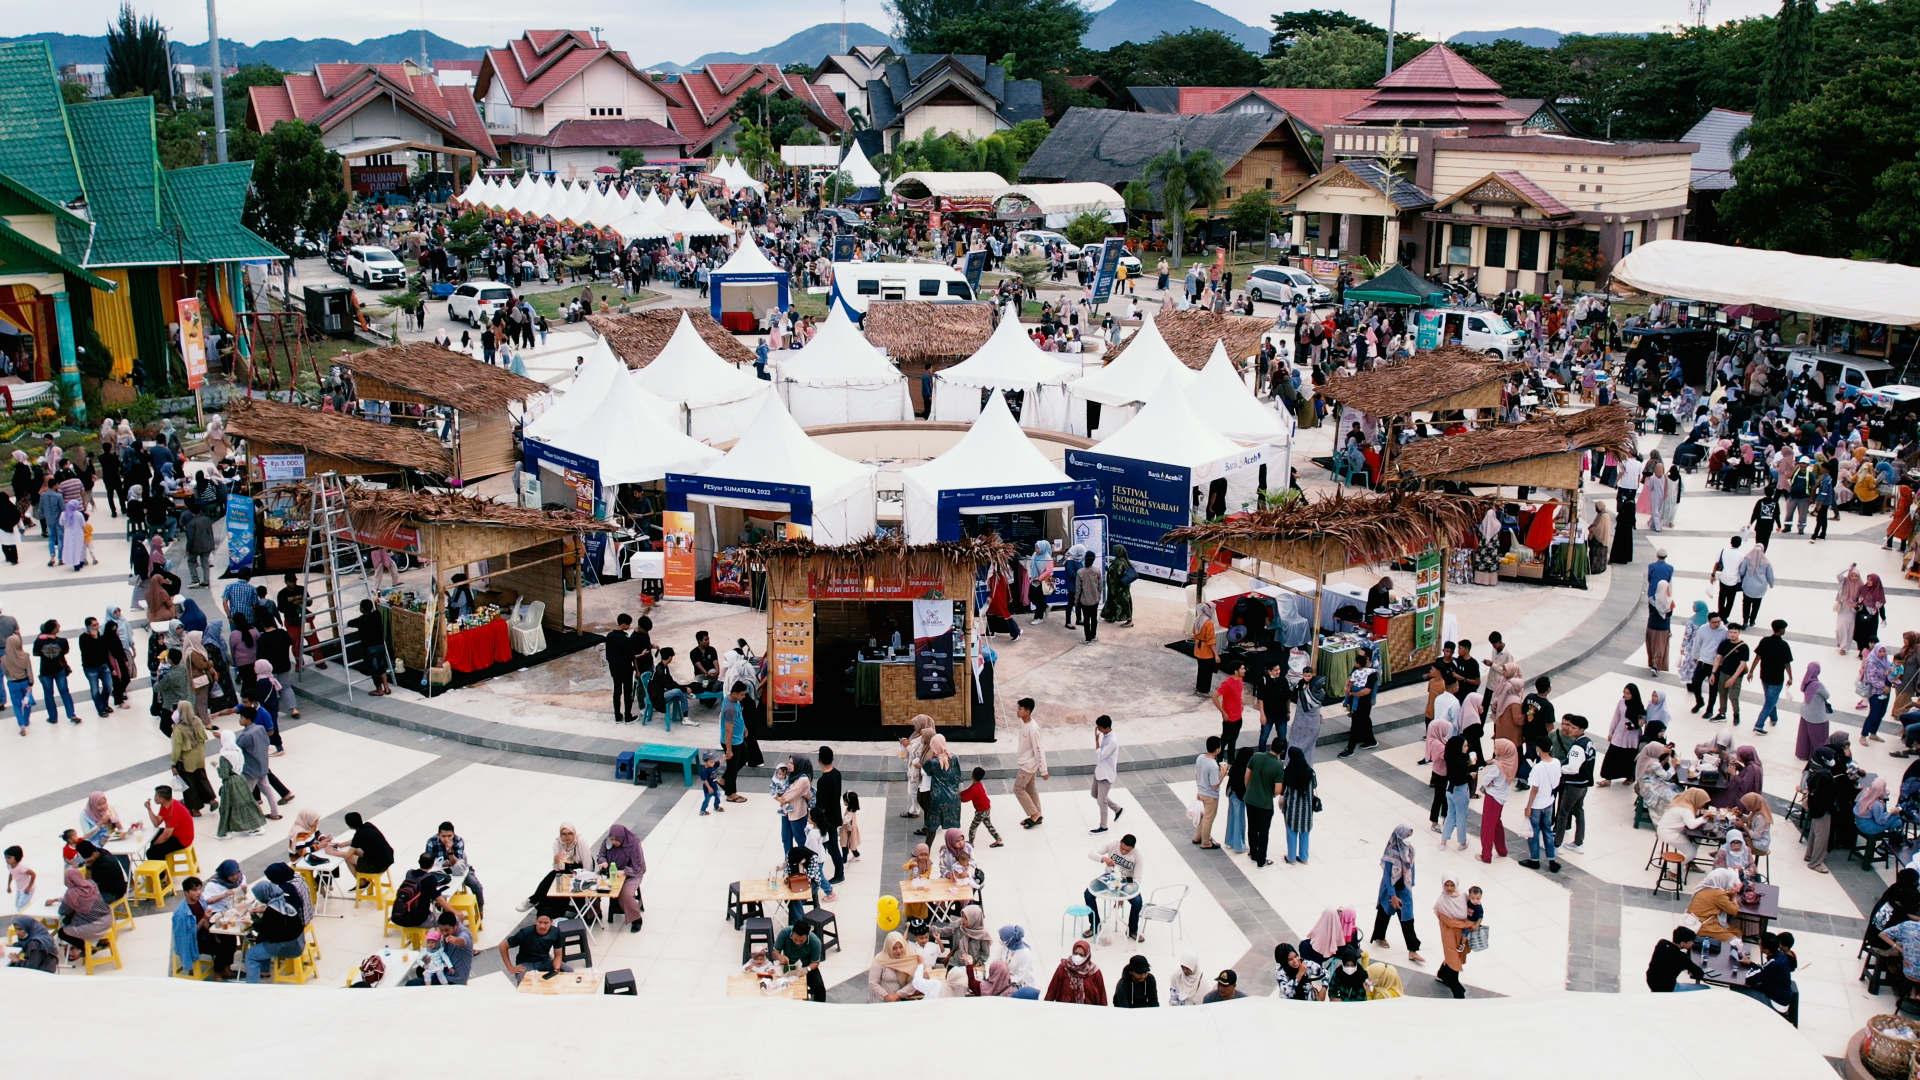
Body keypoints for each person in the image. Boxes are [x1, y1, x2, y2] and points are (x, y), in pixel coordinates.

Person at [1369, 825, 1424, 962]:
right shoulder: (1391, 854)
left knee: (1407, 918)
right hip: (1390, 890)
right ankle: (1379, 936)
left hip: (1404, 890)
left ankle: (1413, 950)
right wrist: (1392, 895)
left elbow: (1412, 868)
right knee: (1384, 913)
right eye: (1407, 836)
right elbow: (1388, 877)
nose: (1409, 839)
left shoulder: (1410, 851)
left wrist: (1411, 885)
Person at [1084, 834, 1146, 942]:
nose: (1124, 852)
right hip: (1109, 876)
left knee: (1138, 901)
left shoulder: (1138, 855)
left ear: (1133, 848)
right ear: (1120, 842)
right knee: (1088, 894)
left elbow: (1138, 879)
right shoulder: (1112, 844)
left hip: (1127, 880)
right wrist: (1103, 858)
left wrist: (1123, 896)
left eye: (1128, 851)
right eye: (1122, 848)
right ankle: (1095, 925)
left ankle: (1132, 930)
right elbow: (1091, 853)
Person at [242, 879, 305, 982]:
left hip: (288, 945)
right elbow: (280, 920)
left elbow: (268, 931)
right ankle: (264, 970)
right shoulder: (285, 897)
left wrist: (251, 923)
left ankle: (251, 985)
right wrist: (266, 908)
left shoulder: (273, 911)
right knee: (261, 939)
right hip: (299, 939)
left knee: (251, 955)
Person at [1553, 714, 1595, 853]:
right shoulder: (1589, 742)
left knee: (1563, 812)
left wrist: (1559, 768)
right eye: (1569, 726)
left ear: (1581, 729)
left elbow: (1573, 768)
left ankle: (1557, 844)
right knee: (1579, 811)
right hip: (1584, 784)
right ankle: (1578, 842)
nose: (1570, 730)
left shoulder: (1577, 746)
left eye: (1573, 727)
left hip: (1574, 784)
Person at [1433, 876, 1480, 999]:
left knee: (1456, 956)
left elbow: (1474, 908)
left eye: (1452, 885)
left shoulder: (1463, 896)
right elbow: (1450, 922)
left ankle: (1442, 974)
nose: (1449, 888)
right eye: (1446, 885)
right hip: (1449, 933)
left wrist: (1477, 920)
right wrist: (1470, 924)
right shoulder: (1441, 903)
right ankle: (1458, 992)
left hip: (1461, 934)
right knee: (1453, 960)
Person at [1521, 742, 1562, 872]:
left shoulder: (1537, 768)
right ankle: (1551, 860)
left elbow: (1534, 789)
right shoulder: (1556, 762)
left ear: (1538, 749)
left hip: (1537, 805)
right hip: (1549, 802)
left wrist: (1528, 806)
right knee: (1547, 831)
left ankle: (1535, 860)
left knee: (1534, 832)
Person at [1244, 737, 1284, 867]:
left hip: (1250, 799)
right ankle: (1261, 860)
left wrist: (1250, 789)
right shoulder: (1278, 766)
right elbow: (1278, 790)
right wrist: (1269, 794)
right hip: (1265, 804)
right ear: (1282, 751)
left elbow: (1247, 775)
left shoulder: (1256, 756)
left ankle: (1253, 853)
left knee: (1252, 827)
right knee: (1263, 831)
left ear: (1271, 745)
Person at [599, 823, 646, 933]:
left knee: (626, 894)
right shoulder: (607, 842)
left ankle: (636, 919)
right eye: (612, 839)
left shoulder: (633, 844)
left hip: (632, 874)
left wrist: (624, 872)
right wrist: (603, 862)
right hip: (611, 872)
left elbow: (638, 866)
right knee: (594, 888)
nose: (614, 842)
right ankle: (594, 914)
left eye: (617, 840)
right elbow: (601, 855)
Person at [498, 912, 568, 983]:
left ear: (551, 922)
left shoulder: (555, 932)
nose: (542, 926)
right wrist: (510, 968)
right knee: (523, 981)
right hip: (526, 962)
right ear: (535, 921)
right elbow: (503, 946)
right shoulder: (525, 932)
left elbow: (558, 955)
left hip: (545, 960)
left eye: (546, 923)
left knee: (568, 971)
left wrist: (556, 969)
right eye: (540, 922)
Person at [1480, 738, 1518, 863]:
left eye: (1496, 748)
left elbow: (1485, 781)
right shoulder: (1510, 763)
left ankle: (1486, 855)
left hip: (1492, 797)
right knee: (1496, 823)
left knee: (1487, 827)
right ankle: (1502, 850)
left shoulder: (1497, 766)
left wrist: (1489, 784)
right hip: (1502, 797)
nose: (1494, 750)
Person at [772, 916, 826, 1001]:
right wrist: (780, 957)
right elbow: (775, 952)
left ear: (807, 936)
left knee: (819, 988)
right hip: (788, 966)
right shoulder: (784, 933)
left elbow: (815, 962)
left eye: (801, 941)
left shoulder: (815, 942)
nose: (797, 942)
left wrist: (807, 969)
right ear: (792, 933)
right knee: (775, 985)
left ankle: (820, 1009)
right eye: (795, 939)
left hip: (806, 966)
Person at [1013, 699, 1048, 828]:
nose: (1018, 711)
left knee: (1018, 789)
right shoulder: (1025, 725)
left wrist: (1044, 770)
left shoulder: (1033, 729)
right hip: (1028, 764)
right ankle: (1038, 813)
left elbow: (1039, 750)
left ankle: (1034, 814)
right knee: (1030, 788)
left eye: (1020, 709)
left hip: (1027, 766)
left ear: (1027, 711)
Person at [1280, 746, 1317, 864]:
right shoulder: (1310, 772)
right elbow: (1314, 786)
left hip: (1292, 808)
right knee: (1305, 832)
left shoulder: (1288, 772)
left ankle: (1291, 858)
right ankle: (1304, 857)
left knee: (1291, 833)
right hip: (1307, 808)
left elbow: (1284, 790)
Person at [1657, 787, 1713, 862]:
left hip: (1664, 829)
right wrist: (1703, 818)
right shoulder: (1686, 809)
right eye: (1703, 802)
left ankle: (1688, 862)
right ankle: (1674, 870)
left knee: (1697, 839)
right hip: (1670, 834)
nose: (1703, 805)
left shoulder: (1680, 803)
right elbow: (1692, 825)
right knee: (1691, 852)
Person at [1646, 926, 1709, 991]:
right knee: (1706, 989)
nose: (1693, 944)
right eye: (1690, 942)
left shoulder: (1662, 943)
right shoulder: (1681, 957)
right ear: (1682, 943)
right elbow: (1699, 973)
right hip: (1666, 988)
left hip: (1651, 981)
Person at [1045, 940, 1108, 1004]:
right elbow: (1051, 991)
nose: (1077, 957)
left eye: (1081, 955)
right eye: (1075, 953)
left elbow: (1102, 996)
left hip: (1088, 1012)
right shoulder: (1063, 968)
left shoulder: (1095, 972)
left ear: (1087, 955)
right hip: (1064, 1011)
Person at [143, 784, 193, 861]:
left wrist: (155, 844)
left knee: (151, 852)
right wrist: (149, 809)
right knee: (153, 839)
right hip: (174, 833)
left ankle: (162, 872)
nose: (154, 798)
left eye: (156, 796)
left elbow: (166, 835)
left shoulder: (173, 811)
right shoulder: (166, 805)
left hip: (182, 839)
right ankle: (162, 865)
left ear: (162, 799)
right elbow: (157, 823)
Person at [338, 811, 393, 879]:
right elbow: (355, 841)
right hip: (387, 859)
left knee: (348, 858)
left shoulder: (359, 835)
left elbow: (347, 854)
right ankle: (364, 879)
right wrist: (341, 844)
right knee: (356, 851)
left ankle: (362, 883)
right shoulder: (368, 825)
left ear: (349, 825)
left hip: (378, 866)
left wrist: (331, 851)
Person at [1089, 715, 1121, 832]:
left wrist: (1096, 741)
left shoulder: (1112, 741)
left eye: (1100, 728)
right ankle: (1117, 809)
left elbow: (1101, 755)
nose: (1098, 730)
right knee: (1095, 794)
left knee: (1101, 801)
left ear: (1106, 727)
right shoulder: (1106, 736)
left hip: (1106, 775)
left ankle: (1103, 826)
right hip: (1100, 771)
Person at [868, 932, 921, 1001]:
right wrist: (886, 996)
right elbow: (873, 982)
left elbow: (915, 980)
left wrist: (898, 995)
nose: (898, 951)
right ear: (889, 947)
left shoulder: (910, 957)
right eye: (894, 948)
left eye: (901, 947)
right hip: (882, 1000)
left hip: (904, 1000)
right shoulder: (880, 959)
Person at [1798, 662, 1832, 760]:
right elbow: (1827, 695)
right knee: (1819, 737)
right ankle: (1818, 757)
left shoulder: (1806, 681)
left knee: (1804, 735)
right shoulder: (1818, 685)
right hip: (1816, 716)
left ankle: (1803, 754)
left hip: (1805, 712)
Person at [1193, 737, 1223, 849]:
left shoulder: (1200, 758)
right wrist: (1223, 774)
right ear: (1217, 749)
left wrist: (1198, 790)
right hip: (1211, 795)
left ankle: (1198, 836)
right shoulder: (1213, 765)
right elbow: (1214, 785)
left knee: (1205, 816)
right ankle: (1205, 842)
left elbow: (1197, 774)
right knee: (1209, 818)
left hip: (1201, 791)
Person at [1102, 544, 1135, 626]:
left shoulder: (1118, 563)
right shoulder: (1124, 560)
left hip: (1118, 587)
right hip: (1123, 587)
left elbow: (1115, 577)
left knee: (1122, 603)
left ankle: (1129, 620)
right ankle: (1110, 616)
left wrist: (1113, 588)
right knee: (1114, 601)